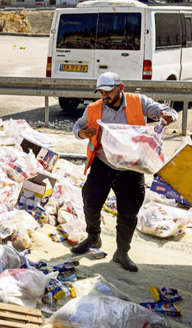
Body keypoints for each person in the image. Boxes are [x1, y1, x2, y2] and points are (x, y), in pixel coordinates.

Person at [71, 72, 176, 272]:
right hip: (103, 164)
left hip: (131, 166)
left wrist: (167, 116)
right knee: (90, 201)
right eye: (101, 91)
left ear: (121, 87)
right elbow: (77, 125)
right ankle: (93, 238)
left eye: (108, 91)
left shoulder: (138, 102)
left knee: (129, 211)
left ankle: (121, 253)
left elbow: (165, 110)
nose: (104, 95)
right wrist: (82, 133)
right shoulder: (94, 108)